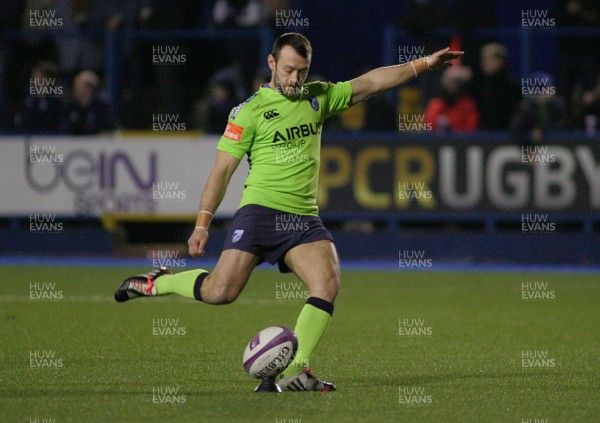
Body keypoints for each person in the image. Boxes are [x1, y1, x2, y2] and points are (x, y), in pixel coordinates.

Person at [114, 33, 462, 391]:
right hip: (260, 213)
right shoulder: (248, 112)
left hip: (303, 220)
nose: (295, 79)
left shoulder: (318, 97)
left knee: (327, 283)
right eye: (289, 70)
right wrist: (202, 224)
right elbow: (221, 171)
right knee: (221, 292)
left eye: (302, 71)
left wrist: (423, 64)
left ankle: (297, 369)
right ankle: (164, 281)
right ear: (272, 63)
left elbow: (372, 82)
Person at [470, 42, 521, 130]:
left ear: (500, 61)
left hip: (507, 136)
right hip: (482, 136)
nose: (484, 62)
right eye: (483, 58)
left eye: (489, 59)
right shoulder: (477, 84)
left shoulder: (512, 86)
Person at [424, 65, 479, 132]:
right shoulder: (436, 103)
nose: (453, 85)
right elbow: (429, 124)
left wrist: (450, 123)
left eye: (456, 81)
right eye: (450, 81)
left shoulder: (468, 105)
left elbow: (471, 128)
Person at [62, 70, 115, 135]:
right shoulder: (70, 106)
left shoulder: (103, 106)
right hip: (73, 143)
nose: (75, 90)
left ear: (87, 89)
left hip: (99, 142)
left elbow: (109, 127)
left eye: (78, 86)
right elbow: (65, 127)